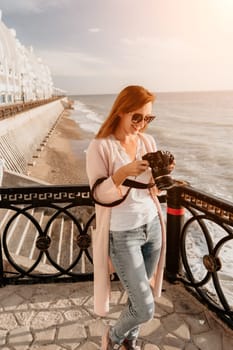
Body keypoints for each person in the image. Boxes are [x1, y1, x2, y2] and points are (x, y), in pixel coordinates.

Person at [86, 85, 167, 350]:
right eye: (137, 117)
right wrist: (124, 172)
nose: (142, 124)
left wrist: (163, 172)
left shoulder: (147, 142)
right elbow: (99, 193)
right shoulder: (100, 146)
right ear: (121, 111)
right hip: (123, 234)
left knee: (138, 297)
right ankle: (113, 336)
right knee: (145, 307)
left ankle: (129, 341)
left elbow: (154, 188)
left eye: (148, 118)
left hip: (152, 226)